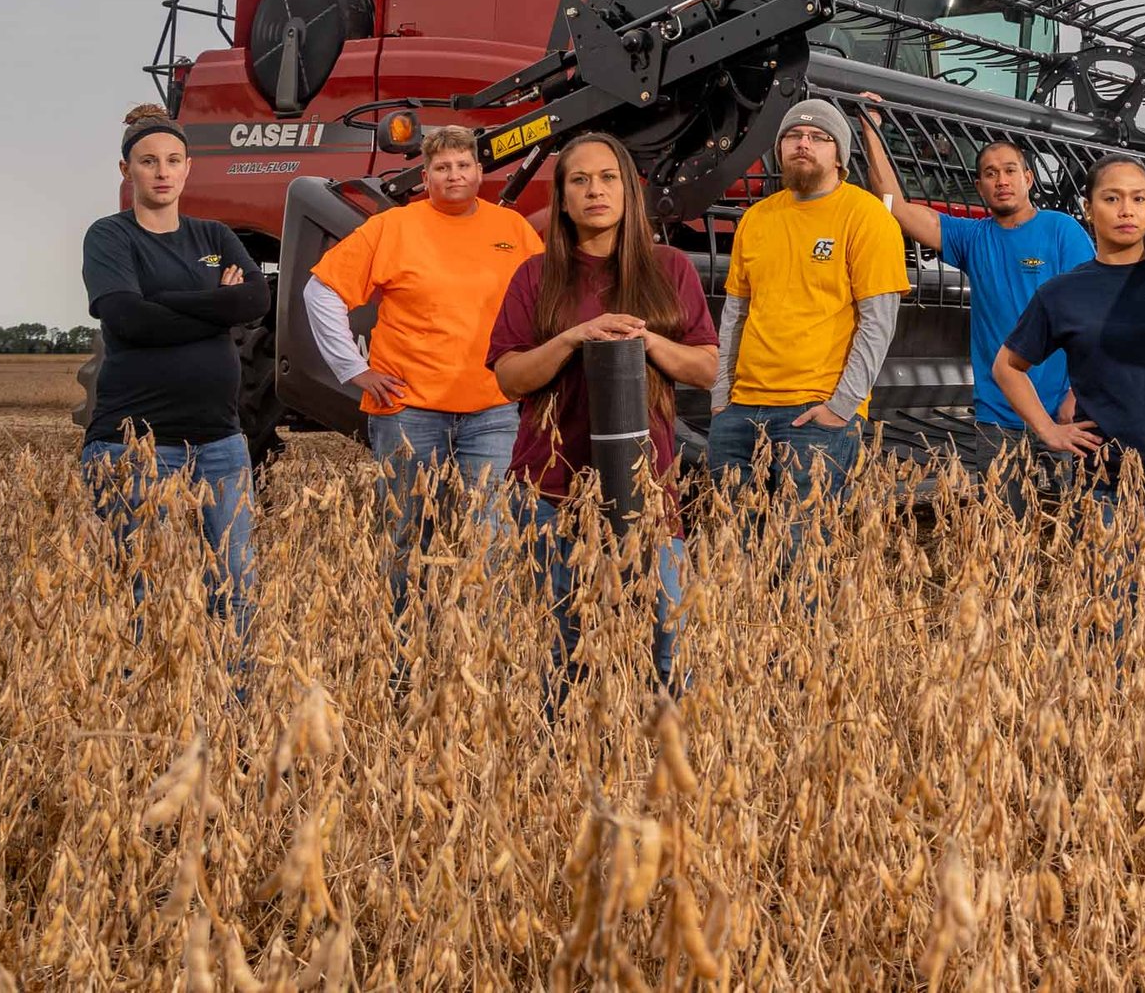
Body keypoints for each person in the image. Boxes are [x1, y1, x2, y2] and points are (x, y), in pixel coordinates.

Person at [488, 133, 717, 698]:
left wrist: (644, 341)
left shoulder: (670, 269)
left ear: (628, 192)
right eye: (580, 181)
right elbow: (508, 377)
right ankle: (562, 768)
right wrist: (574, 337)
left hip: (649, 491)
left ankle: (666, 768)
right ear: (562, 199)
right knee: (561, 651)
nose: (596, 190)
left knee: (666, 645)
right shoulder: (535, 277)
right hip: (551, 488)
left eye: (608, 178)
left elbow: (707, 370)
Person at [995, 156, 1145, 659]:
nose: (1126, 210)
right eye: (1112, 198)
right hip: (1105, 482)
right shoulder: (1063, 292)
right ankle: (1117, 721)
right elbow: (1008, 366)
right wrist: (1048, 429)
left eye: (1138, 198)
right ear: (1089, 209)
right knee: (1110, 621)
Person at [303, 124, 544, 615]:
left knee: (490, 536)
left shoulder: (513, 229)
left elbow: (545, 300)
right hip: (408, 410)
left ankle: (479, 650)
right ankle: (404, 652)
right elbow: (321, 291)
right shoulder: (393, 228)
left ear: (480, 172)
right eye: (441, 168)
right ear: (427, 176)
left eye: (462, 165)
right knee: (407, 536)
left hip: (494, 408)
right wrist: (353, 369)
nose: (453, 175)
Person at [79, 104, 269, 667]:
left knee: (234, 588)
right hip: (130, 442)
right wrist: (218, 306)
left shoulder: (213, 235)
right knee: (138, 591)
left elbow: (255, 301)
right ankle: (138, 712)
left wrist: (162, 300)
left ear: (189, 169)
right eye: (147, 162)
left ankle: (232, 711)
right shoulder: (110, 237)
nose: (161, 172)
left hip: (220, 442)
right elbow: (126, 319)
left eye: (172, 161)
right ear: (126, 170)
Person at [854, 97, 1092, 506]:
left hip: (1059, 411)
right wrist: (871, 127)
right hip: (997, 416)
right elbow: (894, 206)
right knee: (1002, 527)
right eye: (990, 174)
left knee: (1066, 525)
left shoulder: (1062, 231)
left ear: (1028, 179)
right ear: (980, 187)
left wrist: (1077, 393)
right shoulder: (972, 238)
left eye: (1010, 171)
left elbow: (1091, 314)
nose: (1001, 180)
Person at [705, 99, 908, 520]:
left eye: (819, 137)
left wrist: (842, 406)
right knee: (734, 547)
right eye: (794, 136)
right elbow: (735, 315)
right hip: (740, 411)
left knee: (801, 553)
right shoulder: (756, 219)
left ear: (840, 156)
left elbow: (878, 322)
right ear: (779, 149)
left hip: (814, 413)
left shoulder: (867, 217)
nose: (804, 144)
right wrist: (722, 398)